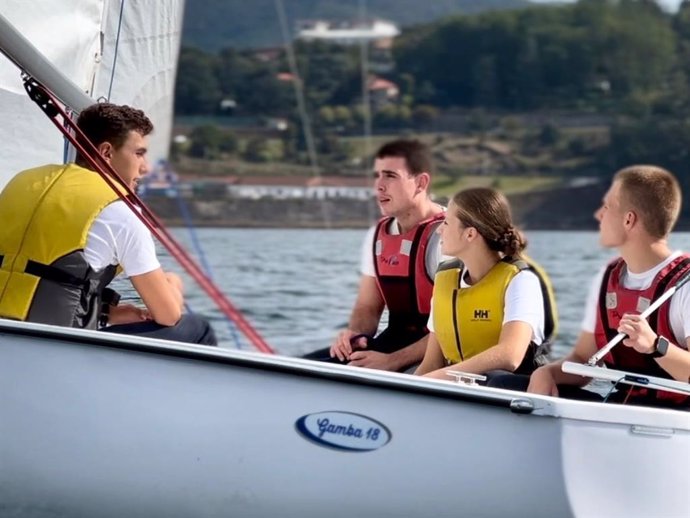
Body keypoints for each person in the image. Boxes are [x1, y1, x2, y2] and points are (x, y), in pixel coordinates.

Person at [0, 102, 216, 346]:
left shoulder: (21, 182)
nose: (145, 168)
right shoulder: (119, 212)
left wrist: (106, 313)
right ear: (106, 152)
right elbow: (167, 315)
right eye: (138, 154)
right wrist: (173, 284)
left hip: (8, 336)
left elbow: (33, 276)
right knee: (199, 328)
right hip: (55, 347)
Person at [494, 165, 690, 409]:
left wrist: (655, 346)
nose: (598, 214)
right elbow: (582, 361)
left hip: (675, 416)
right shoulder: (607, 277)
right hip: (622, 407)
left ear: (629, 220)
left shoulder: (685, 285)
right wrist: (548, 373)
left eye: (607, 207)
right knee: (498, 384)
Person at [303, 139, 445, 371]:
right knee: (305, 368)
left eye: (390, 176)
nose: (378, 186)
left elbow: (456, 326)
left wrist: (392, 362)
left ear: (421, 183)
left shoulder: (448, 236)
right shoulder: (376, 235)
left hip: (439, 354)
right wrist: (354, 336)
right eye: (377, 175)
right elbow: (367, 307)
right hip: (392, 344)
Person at [415, 187, 557, 381]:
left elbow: (510, 356)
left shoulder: (521, 281)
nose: (439, 229)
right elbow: (431, 364)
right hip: (456, 390)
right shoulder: (444, 280)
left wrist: (440, 378)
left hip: (509, 394)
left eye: (446, 222)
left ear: (470, 234)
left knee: (498, 379)